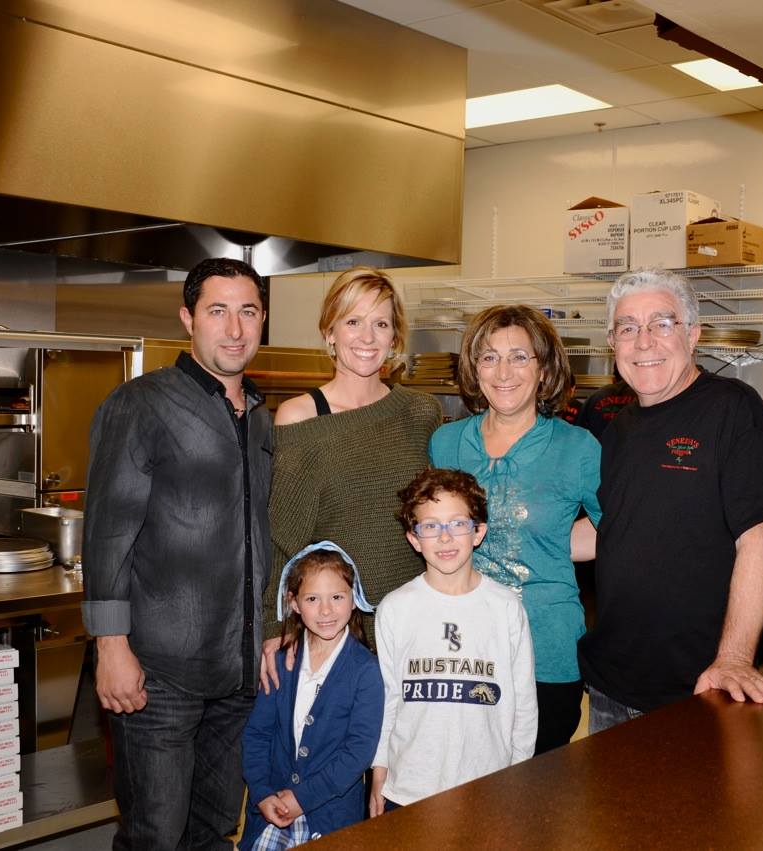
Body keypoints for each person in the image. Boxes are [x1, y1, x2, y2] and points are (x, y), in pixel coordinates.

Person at [82, 257, 272, 849]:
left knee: (215, 831)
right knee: (154, 835)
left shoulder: (261, 416)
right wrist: (110, 646)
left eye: (248, 312)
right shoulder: (140, 404)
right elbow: (107, 531)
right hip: (159, 673)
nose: (235, 329)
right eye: (219, 311)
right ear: (188, 318)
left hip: (238, 671)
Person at [578, 268, 763, 734]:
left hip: (698, 687)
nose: (644, 341)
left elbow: (759, 542)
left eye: (662, 324)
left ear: (693, 335)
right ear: (613, 344)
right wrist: (501, 538)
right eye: (628, 328)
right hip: (612, 682)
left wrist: (733, 659)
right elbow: (607, 529)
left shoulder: (732, 409)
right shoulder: (617, 429)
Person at [428, 305, 600, 754]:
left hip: (547, 650)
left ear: (543, 370)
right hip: (463, 650)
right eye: (489, 357)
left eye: (519, 357)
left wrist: (546, 542)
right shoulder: (446, 442)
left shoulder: (578, 447)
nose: (503, 372)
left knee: (535, 798)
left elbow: (615, 531)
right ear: (474, 369)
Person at [262, 267, 441, 687]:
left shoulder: (421, 413)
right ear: (330, 332)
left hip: (416, 626)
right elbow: (281, 539)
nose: (367, 337)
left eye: (381, 324)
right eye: (353, 322)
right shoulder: (301, 417)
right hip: (337, 631)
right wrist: (275, 629)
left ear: (395, 337)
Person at [370, 468, 536, 813]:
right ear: (414, 539)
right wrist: (380, 769)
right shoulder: (395, 608)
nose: (445, 538)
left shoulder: (506, 607)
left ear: (478, 532)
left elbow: (523, 704)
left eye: (457, 524)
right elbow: (387, 699)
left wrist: (520, 774)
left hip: (488, 784)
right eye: (430, 526)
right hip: (410, 786)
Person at [241, 542, 384, 850]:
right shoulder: (281, 662)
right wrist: (262, 793)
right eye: (312, 599)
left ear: (353, 599)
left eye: (337, 597)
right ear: (294, 603)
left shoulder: (365, 670)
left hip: (331, 816)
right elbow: (257, 735)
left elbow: (358, 753)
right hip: (273, 807)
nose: (326, 610)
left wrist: (301, 799)